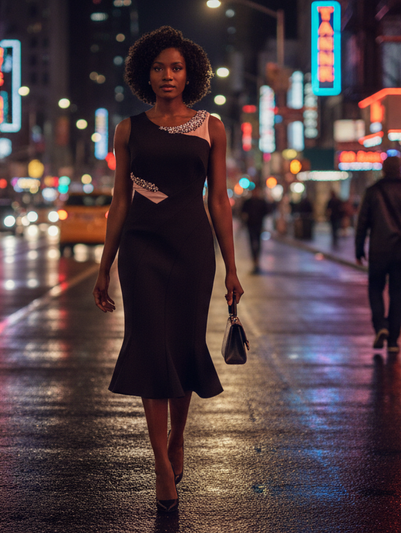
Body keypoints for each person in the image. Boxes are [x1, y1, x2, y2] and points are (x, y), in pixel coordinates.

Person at [92, 26, 244, 513]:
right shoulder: (128, 129)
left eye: (176, 67)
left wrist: (232, 269)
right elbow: (120, 201)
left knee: (182, 345)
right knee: (149, 346)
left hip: (192, 248)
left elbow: (218, 201)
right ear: (145, 74)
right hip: (141, 249)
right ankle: (161, 461)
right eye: (158, 68)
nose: (167, 76)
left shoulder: (211, 126)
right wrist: (104, 265)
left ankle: (179, 436)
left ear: (190, 73)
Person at [355, 156, 401, 354]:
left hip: (379, 249)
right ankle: (393, 341)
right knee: (397, 294)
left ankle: (381, 326)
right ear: (400, 169)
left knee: (375, 289)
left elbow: (362, 223)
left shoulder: (373, 191)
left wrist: (359, 249)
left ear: (383, 170)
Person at [241, 185, 269, 273]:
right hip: (250, 225)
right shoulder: (248, 202)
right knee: (252, 242)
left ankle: (257, 260)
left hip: (258, 225)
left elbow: (266, 211)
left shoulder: (261, 202)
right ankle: (254, 260)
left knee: (258, 242)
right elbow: (243, 212)